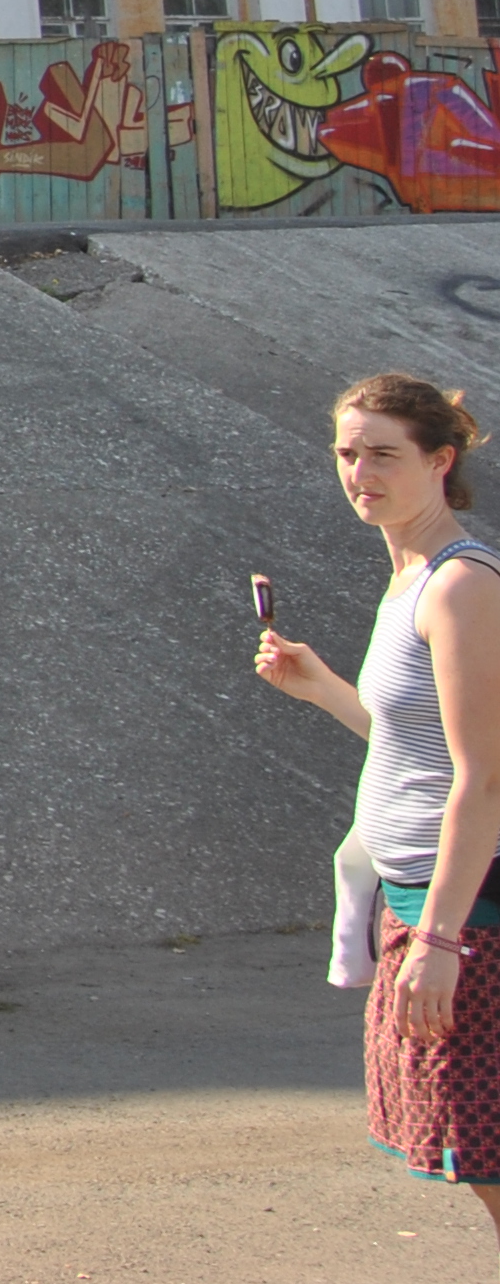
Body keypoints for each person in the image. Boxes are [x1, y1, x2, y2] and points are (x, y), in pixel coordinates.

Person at [258, 373, 500, 1226]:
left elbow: (485, 777)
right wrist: (324, 688)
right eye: (347, 453)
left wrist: (440, 938)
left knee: (484, 1150)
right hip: (419, 901)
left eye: (384, 455)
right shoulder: (409, 579)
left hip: (470, 911)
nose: (360, 474)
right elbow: (416, 743)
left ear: (441, 461)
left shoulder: (462, 586)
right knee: (472, 1154)